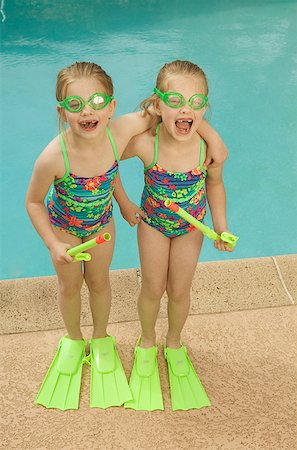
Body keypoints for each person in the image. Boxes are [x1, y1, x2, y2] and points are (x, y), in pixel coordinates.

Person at [26, 61, 228, 411]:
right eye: (76, 105)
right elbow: (34, 200)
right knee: (70, 287)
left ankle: (113, 338)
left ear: (112, 106)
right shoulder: (53, 157)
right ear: (62, 111)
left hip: (110, 227)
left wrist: (212, 137)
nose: (89, 111)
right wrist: (54, 242)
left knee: (107, 284)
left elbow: (161, 116)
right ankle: (76, 340)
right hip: (67, 229)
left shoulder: (122, 131)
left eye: (98, 103)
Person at [114, 60, 233, 411]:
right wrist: (123, 202)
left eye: (197, 102)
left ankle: (175, 343)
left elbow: (216, 185)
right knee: (152, 287)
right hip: (153, 223)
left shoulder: (206, 149)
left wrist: (221, 226)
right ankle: (147, 341)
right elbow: (103, 159)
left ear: (205, 107)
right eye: (176, 100)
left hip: (191, 227)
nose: (187, 109)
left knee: (179, 290)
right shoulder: (144, 144)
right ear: (157, 102)